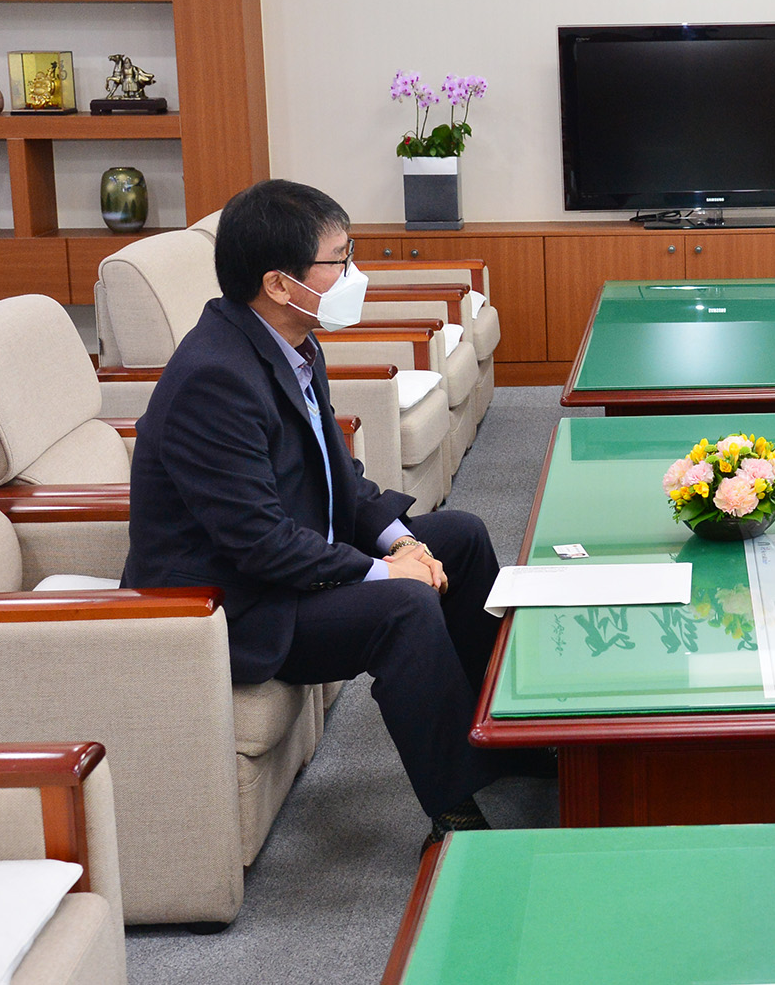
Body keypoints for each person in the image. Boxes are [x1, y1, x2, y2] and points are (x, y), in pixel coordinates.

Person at [123, 179, 532, 845]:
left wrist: (400, 542)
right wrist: (384, 573)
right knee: (403, 605)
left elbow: (339, 476)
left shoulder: (291, 343)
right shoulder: (214, 378)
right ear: (278, 284)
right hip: (233, 604)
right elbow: (260, 543)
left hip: (285, 561)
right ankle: (456, 814)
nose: (354, 276)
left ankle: (499, 732)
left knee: (457, 536)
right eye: (339, 261)